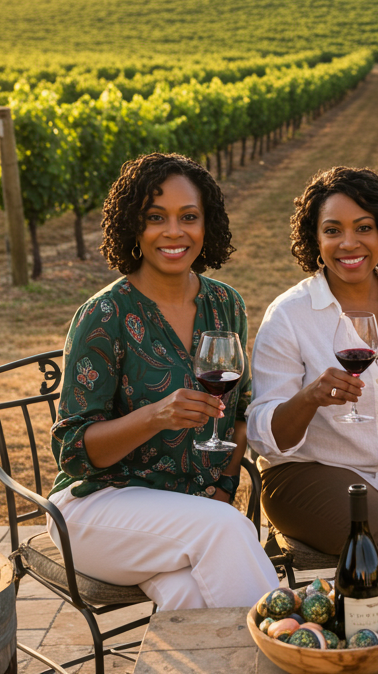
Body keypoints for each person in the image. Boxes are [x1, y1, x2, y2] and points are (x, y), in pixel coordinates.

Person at [48, 153, 279, 611]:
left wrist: (224, 487)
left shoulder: (225, 304)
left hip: (187, 512)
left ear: (205, 225)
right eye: (156, 218)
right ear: (134, 228)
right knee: (228, 530)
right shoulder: (104, 316)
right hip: (97, 508)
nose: (174, 232)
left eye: (188, 217)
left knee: (191, 600)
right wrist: (155, 416)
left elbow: (240, 413)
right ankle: (295, 645)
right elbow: (73, 452)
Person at [247, 166, 378, 598]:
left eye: (364, 228)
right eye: (333, 230)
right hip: (304, 473)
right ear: (315, 239)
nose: (349, 243)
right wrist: (310, 398)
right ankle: (357, 647)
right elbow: (264, 435)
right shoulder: (290, 315)